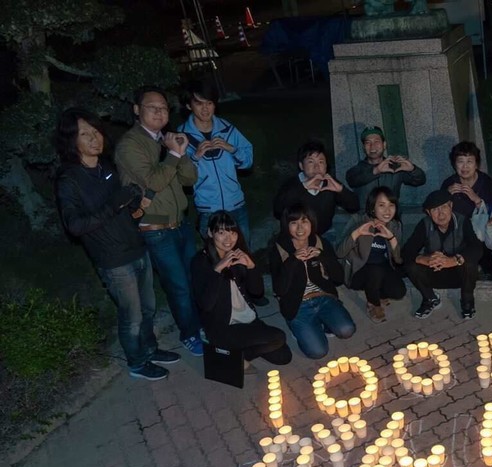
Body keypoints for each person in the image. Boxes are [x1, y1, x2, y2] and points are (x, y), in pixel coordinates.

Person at [55, 108, 180, 382]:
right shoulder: (69, 180)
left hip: (137, 248)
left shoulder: (107, 168)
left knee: (147, 308)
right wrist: (114, 204)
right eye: (84, 134)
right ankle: (137, 363)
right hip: (113, 260)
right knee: (132, 316)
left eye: (96, 131)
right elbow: (75, 226)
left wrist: (134, 202)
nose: (94, 138)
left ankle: (150, 349)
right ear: (71, 140)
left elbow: (124, 210)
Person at [115, 85, 204, 356]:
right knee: (178, 286)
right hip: (156, 228)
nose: (159, 112)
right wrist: (173, 155)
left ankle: (199, 325)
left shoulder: (167, 140)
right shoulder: (130, 145)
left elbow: (190, 179)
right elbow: (153, 180)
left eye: (164, 108)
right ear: (136, 110)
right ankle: (190, 333)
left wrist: (183, 152)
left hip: (181, 222)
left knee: (194, 280)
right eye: (152, 107)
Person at [191, 213, 291, 366]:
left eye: (232, 232)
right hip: (224, 327)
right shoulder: (200, 262)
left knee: (283, 356)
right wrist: (217, 270)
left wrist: (251, 267)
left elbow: (257, 292)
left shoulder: (239, 254)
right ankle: (237, 356)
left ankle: (239, 355)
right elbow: (206, 305)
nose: (228, 239)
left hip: (248, 320)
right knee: (278, 337)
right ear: (210, 233)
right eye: (221, 233)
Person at [270, 204, 356, 359]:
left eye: (305, 221)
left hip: (323, 297)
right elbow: (280, 289)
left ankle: (323, 322)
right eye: (294, 223)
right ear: (286, 225)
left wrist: (322, 256)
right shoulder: (279, 249)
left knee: (347, 330)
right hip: (297, 304)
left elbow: (338, 279)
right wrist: (293, 260)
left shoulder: (320, 242)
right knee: (318, 352)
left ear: (312, 223)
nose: (300, 228)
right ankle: (296, 325)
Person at [177, 79, 254, 240]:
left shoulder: (227, 128)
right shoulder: (181, 135)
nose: (205, 109)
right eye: (199, 103)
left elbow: (248, 161)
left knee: (245, 256)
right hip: (209, 210)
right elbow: (183, 178)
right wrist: (196, 156)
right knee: (217, 261)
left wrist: (231, 148)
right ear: (189, 105)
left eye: (210, 103)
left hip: (236, 205)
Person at [403, 189, 482, 320]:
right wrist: (425, 259)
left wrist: (454, 260)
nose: (440, 214)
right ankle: (430, 298)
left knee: (470, 262)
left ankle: (467, 300)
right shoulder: (424, 224)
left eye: (444, 207)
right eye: (434, 210)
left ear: (451, 206)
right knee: (411, 265)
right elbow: (407, 251)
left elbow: (477, 247)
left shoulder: (462, 221)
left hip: (458, 274)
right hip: (434, 271)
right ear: (428, 212)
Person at [337, 186, 407, 323]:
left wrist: (391, 238)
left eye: (391, 205)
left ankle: (377, 292)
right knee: (375, 270)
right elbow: (339, 252)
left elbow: (398, 260)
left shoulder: (395, 225)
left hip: (382, 268)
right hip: (358, 271)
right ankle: (373, 304)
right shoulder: (358, 220)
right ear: (372, 207)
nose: (387, 211)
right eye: (381, 205)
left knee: (399, 292)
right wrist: (356, 233)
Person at [272, 140, 359, 245]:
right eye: (311, 162)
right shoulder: (292, 184)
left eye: (321, 162)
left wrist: (341, 190)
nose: (317, 167)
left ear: (326, 165)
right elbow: (277, 210)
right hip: (296, 237)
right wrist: (303, 188)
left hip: (324, 234)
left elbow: (354, 206)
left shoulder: (329, 183)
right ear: (301, 166)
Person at [440, 141, 492, 276]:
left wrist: (477, 199)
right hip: (457, 231)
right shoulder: (449, 183)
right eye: (460, 161)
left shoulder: (486, 182)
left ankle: (486, 268)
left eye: (469, 161)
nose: (465, 166)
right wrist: (445, 196)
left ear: (476, 164)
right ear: (454, 164)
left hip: (481, 232)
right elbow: (438, 212)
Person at [345, 126, 426, 205]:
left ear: (384, 145)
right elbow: (352, 181)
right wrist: (376, 170)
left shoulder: (395, 167)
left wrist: (413, 169)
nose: (372, 146)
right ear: (363, 147)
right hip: (365, 217)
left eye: (377, 142)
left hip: (390, 216)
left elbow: (420, 181)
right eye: (368, 143)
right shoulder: (357, 170)